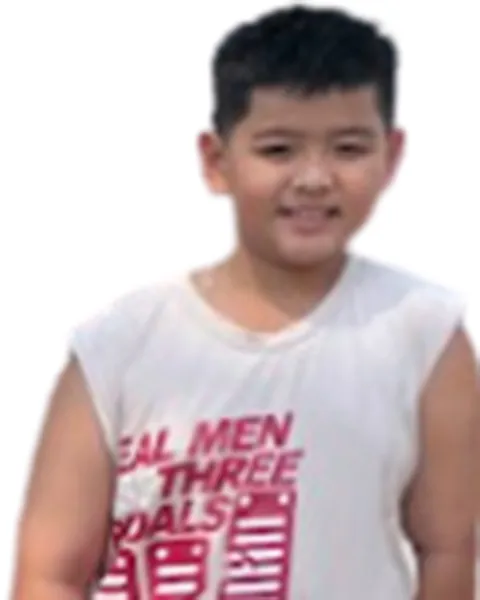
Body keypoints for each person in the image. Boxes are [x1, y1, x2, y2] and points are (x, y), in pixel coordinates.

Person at [11, 5, 478, 600]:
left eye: (348, 148)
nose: (314, 178)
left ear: (391, 156)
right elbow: (50, 573)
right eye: (278, 150)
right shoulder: (119, 348)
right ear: (216, 161)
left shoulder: (424, 334)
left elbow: (447, 549)